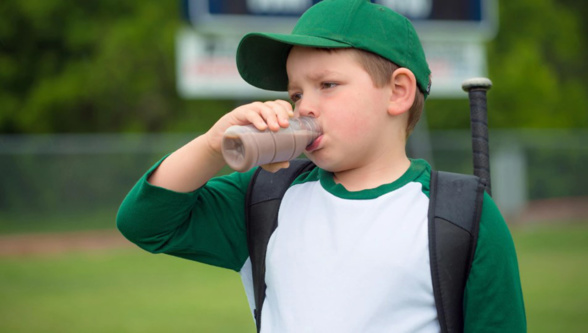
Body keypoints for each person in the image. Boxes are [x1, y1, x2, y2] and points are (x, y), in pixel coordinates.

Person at [117, 0, 526, 332]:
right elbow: (146, 222)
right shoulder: (265, 196)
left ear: (398, 92)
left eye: (327, 85)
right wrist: (211, 146)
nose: (304, 106)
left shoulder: (460, 215)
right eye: (296, 92)